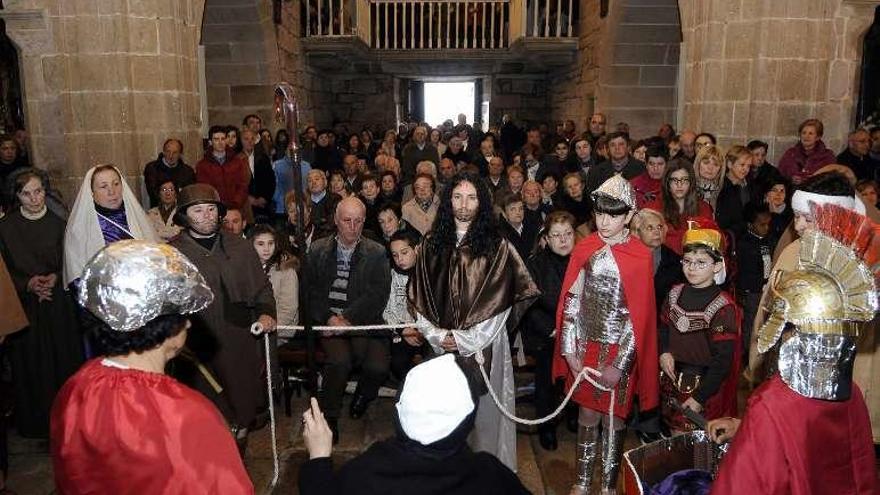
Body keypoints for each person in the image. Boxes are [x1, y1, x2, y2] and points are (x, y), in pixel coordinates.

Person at [51, 240, 253, 494]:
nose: (189, 324)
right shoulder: (186, 414)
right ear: (167, 326)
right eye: (183, 315)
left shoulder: (74, 390)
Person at [708, 204, 878, 494]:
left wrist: (757, 424)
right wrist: (747, 428)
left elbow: (741, 486)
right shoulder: (852, 394)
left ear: (791, 335)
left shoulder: (772, 403)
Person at [408, 171, 539, 471]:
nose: (464, 205)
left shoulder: (497, 246)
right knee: (444, 417)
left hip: (485, 344)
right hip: (440, 346)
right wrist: (438, 336)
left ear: (482, 202)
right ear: (447, 201)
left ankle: (484, 475)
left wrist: (467, 339)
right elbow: (420, 297)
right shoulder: (431, 244)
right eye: (457, 197)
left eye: (471, 197)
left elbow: (502, 302)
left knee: (484, 419)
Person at [553, 175, 658, 494]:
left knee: (614, 418)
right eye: (599, 214)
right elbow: (571, 301)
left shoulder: (640, 256)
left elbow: (638, 318)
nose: (604, 221)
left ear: (628, 216)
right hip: (585, 345)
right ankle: (583, 481)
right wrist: (569, 351)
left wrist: (621, 365)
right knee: (586, 411)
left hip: (619, 350)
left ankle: (609, 486)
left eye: (613, 215)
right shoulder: (585, 248)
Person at [298, 355, 530, 495]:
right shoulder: (490, 477)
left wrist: (319, 458)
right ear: (467, 423)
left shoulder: (364, 475)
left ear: (399, 412)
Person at [169, 184, 276, 451]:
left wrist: (266, 313)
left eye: (211, 209)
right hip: (195, 345)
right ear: (184, 215)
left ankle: (236, 461)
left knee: (239, 409)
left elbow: (262, 288)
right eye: (198, 210)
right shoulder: (173, 253)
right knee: (203, 415)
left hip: (237, 338)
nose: (206, 215)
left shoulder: (239, 246)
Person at [0, 171, 83, 439]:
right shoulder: (5, 228)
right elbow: (3, 270)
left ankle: (67, 419)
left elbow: (72, 259)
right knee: (31, 364)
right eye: (27, 194)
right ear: (17, 195)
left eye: (38, 192)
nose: (34, 199)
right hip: (24, 304)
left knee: (61, 360)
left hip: (57, 301)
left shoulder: (60, 223)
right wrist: (28, 283)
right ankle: (36, 421)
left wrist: (56, 276)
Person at [305, 196, 391, 441]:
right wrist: (330, 319)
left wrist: (348, 318)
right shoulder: (318, 249)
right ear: (335, 220)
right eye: (346, 220)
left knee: (377, 366)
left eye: (358, 221)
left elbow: (378, 293)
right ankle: (330, 414)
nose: (352, 227)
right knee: (339, 361)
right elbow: (310, 291)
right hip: (329, 322)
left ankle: (363, 395)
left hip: (364, 320)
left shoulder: (376, 252)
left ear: (364, 222)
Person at [658, 225, 739, 433]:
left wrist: (699, 397)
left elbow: (723, 361)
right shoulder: (674, 293)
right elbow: (664, 326)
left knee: (696, 447)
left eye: (701, 262)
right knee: (673, 438)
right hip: (672, 380)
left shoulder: (723, 307)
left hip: (704, 389)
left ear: (717, 265)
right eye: (687, 261)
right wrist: (664, 350)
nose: (692, 268)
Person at [522, 211, 577, 451]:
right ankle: (547, 426)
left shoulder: (584, 260)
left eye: (568, 234)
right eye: (557, 235)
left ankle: (574, 415)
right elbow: (528, 304)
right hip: (548, 335)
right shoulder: (535, 264)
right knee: (546, 383)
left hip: (578, 333)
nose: (563, 240)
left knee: (576, 378)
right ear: (546, 238)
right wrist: (552, 330)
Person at [63, 164, 158, 286]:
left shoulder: (137, 218)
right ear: (91, 193)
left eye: (116, 184)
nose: (112, 191)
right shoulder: (78, 230)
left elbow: (157, 260)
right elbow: (77, 279)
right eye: (103, 186)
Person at [383, 230, 430, 380]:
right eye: (395, 255)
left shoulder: (430, 273)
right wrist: (403, 329)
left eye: (404, 252)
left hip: (430, 332)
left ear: (416, 249)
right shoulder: (392, 275)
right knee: (399, 363)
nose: (400, 259)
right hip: (402, 329)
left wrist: (423, 330)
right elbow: (388, 310)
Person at [647, 160, 716, 255]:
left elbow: (709, 241)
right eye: (674, 180)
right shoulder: (653, 208)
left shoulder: (703, 208)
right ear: (667, 183)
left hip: (695, 260)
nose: (679, 185)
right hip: (663, 261)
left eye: (684, 180)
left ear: (691, 182)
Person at [735, 202, 775, 366]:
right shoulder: (745, 244)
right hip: (752, 292)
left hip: (766, 290)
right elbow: (745, 273)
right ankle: (747, 357)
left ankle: (761, 355)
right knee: (752, 325)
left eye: (768, 224)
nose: (766, 228)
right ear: (751, 225)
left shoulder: (769, 241)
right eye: (762, 224)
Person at [251, 224, 298, 329]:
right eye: (261, 244)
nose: (266, 249)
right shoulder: (246, 268)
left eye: (270, 243)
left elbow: (288, 310)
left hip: (279, 330)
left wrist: (265, 327)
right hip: (254, 329)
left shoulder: (286, 269)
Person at [196, 125, 250, 211]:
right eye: (216, 139)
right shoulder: (202, 165)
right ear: (210, 142)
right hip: (214, 208)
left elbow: (242, 185)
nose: (220, 142)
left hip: (236, 207)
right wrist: (217, 205)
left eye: (223, 139)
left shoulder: (237, 162)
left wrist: (236, 203)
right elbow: (205, 189)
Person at [777, 118, 837, 185]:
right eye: (804, 133)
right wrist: (791, 179)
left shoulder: (827, 156)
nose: (806, 136)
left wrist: (807, 180)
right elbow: (779, 175)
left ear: (818, 137)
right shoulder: (790, 153)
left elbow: (831, 179)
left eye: (810, 133)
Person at [715, 145, 755, 240]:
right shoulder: (721, 186)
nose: (746, 169)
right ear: (729, 164)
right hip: (727, 236)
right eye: (742, 165)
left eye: (748, 166)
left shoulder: (750, 186)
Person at [142, 138, 196, 208]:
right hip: (159, 210)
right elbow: (153, 193)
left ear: (180, 154)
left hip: (180, 209)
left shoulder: (188, 171)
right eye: (168, 151)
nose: (171, 156)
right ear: (163, 152)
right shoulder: (152, 168)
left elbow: (189, 194)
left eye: (175, 152)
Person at [241, 128, 276, 223]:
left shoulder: (263, 158)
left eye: (252, 139)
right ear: (241, 141)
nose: (249, 142)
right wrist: (248, 198)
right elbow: (234, 183)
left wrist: (264, 198)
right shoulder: (236, 159)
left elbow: (271, 180)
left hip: (263, 204)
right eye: (246, 139)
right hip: (244, 204)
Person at [497, 192, 540, 261]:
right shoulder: (499, 233)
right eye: (513, 209)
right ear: (504, 214)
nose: (518, 212)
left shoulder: (533, 228)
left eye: (521, 209)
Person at [693, 144, 725, 210]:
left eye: (716, 164)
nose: (710, 168)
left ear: (720, 169)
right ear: (698, 164)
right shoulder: (688, 189)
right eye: (706, 162)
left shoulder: (724, 192)